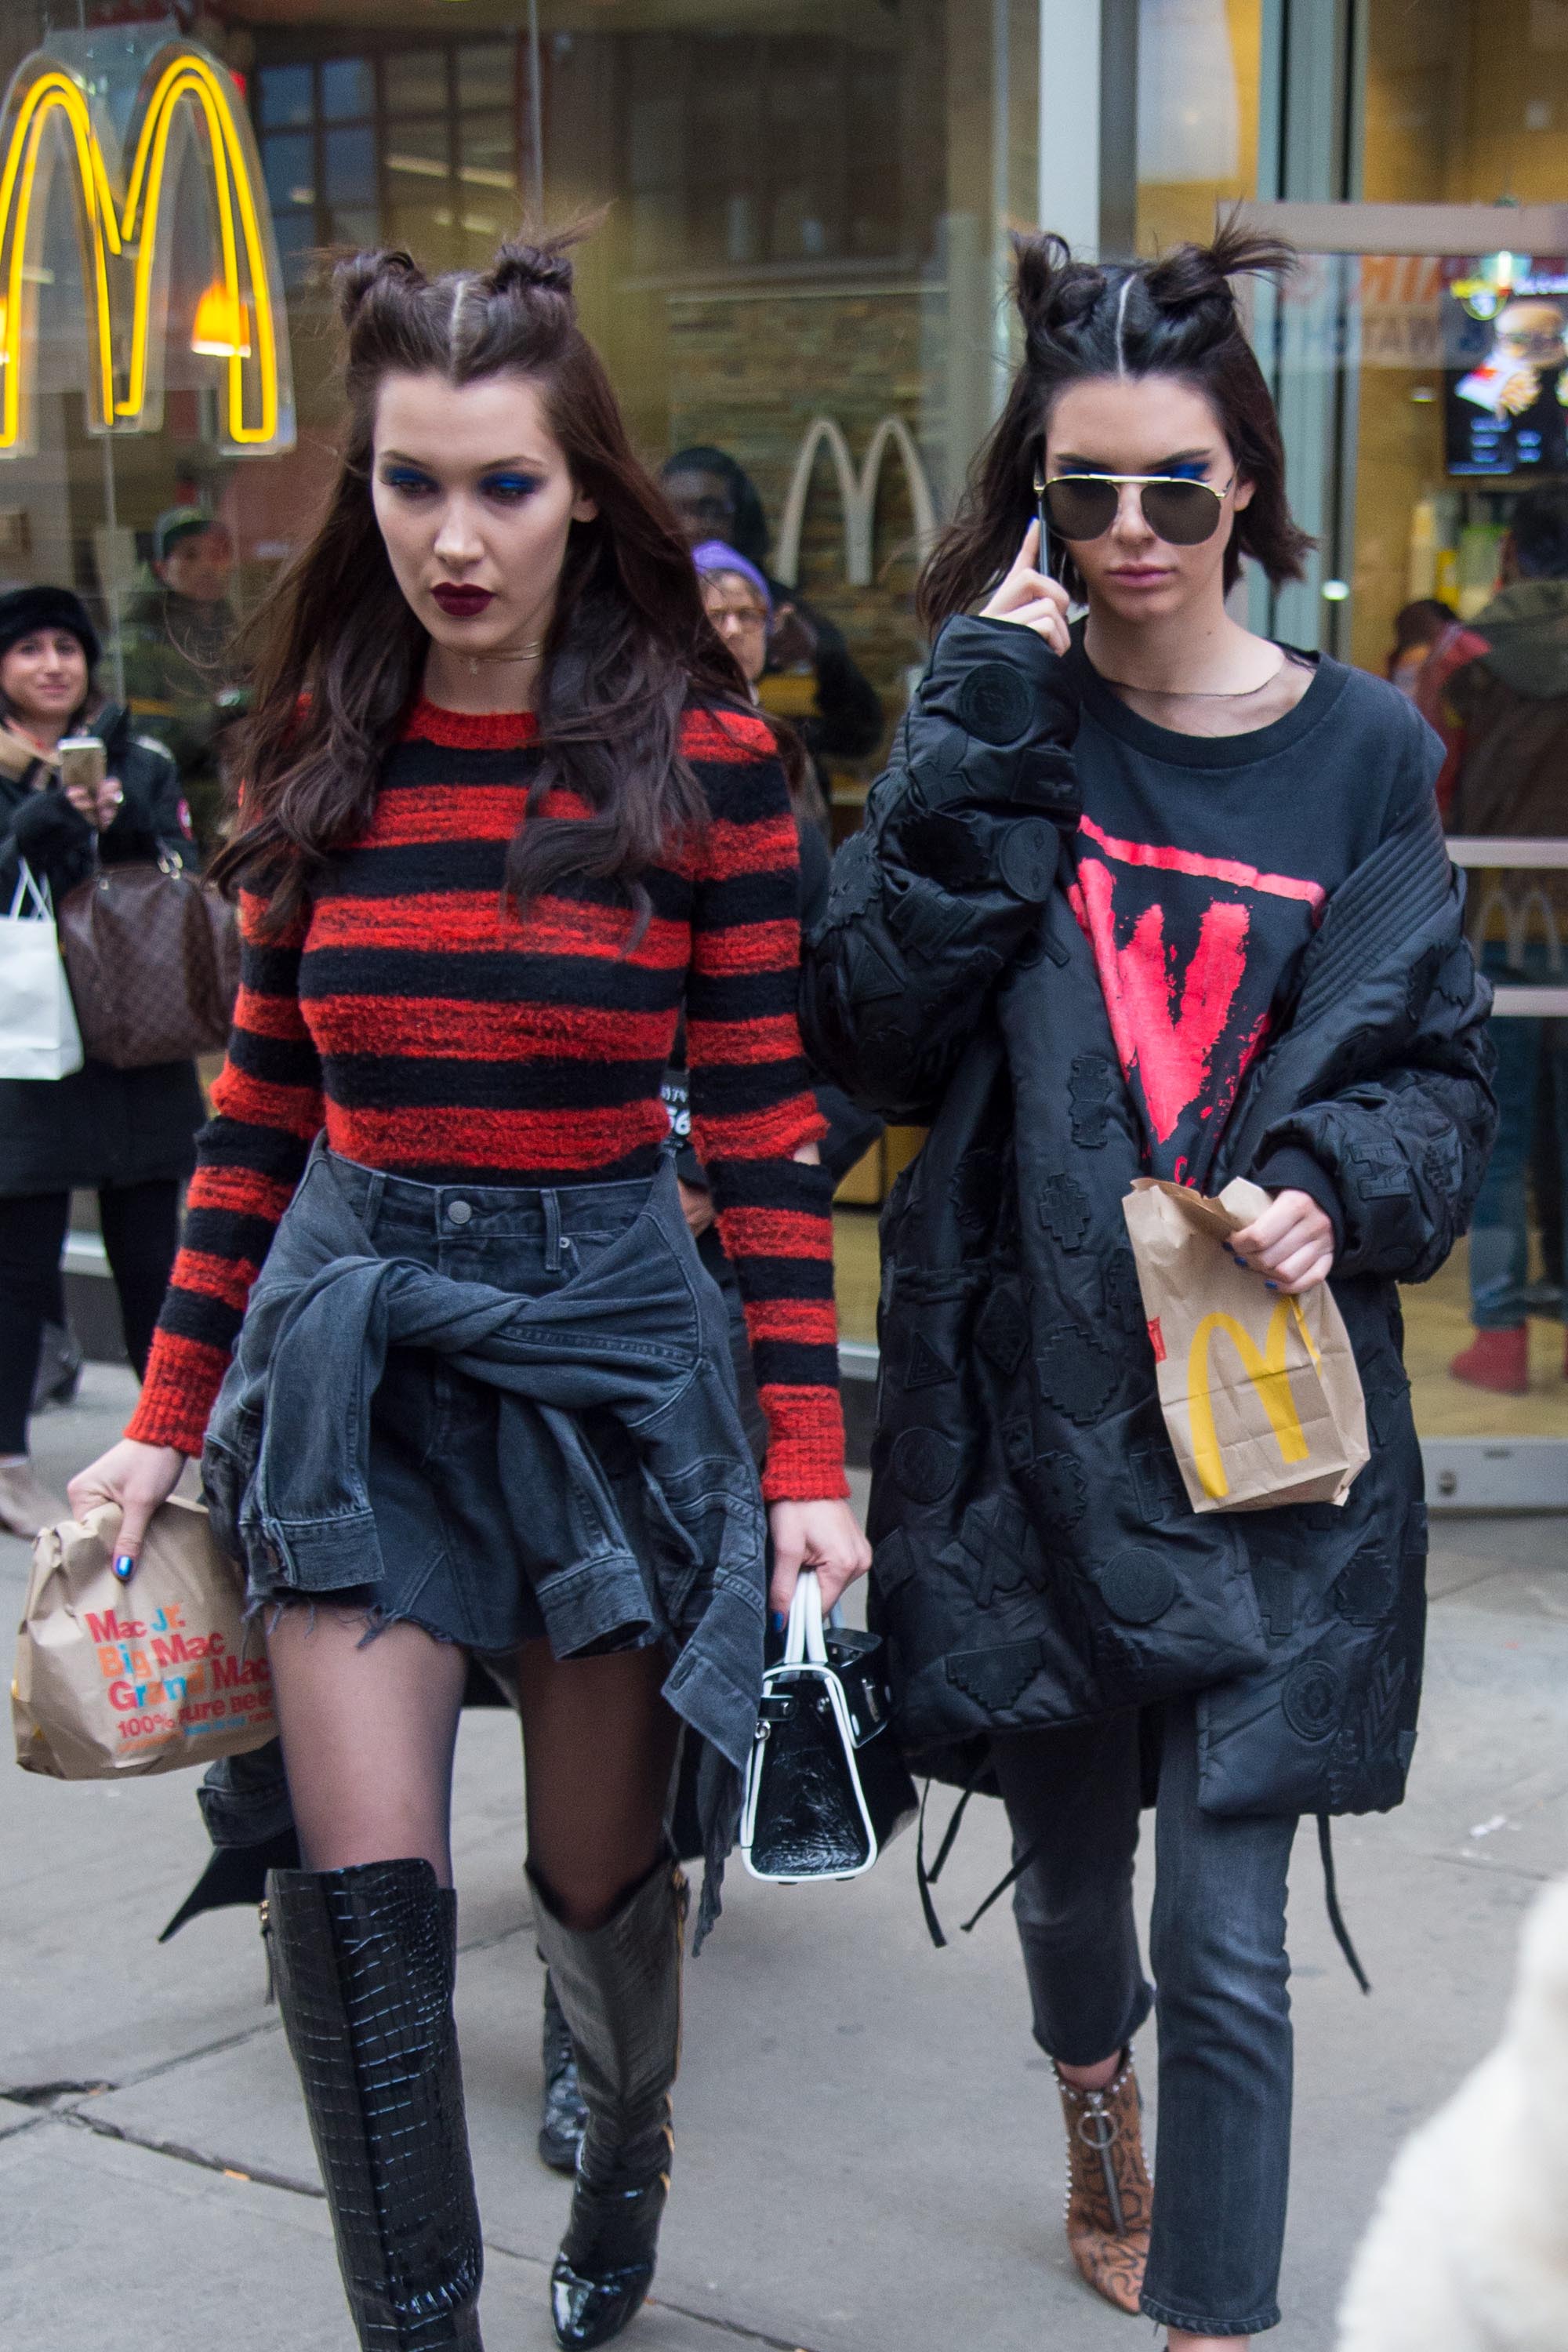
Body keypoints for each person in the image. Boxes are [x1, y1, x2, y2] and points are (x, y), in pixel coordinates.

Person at [68, 235, 868, 2352]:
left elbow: (772, 1139)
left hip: (606, 1359)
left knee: (602, 1891)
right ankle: (417, 2324)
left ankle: (623, 2172)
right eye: (410, 484)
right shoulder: (311, 754)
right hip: (356, 1360)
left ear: (581, 493)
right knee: (370, 1915)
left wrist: (807, 1461)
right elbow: (252, 1125)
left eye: (499, 485)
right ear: (369, 495)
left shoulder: (707, 768)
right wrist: (159, 1424)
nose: (451, 533)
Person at [801, 223, 1496, 2348]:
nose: (1125, 534)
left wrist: (1327, 1183)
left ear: (1243, 492)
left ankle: (1214, 2317)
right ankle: (1090, 2101)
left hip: (1266, 1425)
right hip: (1034, 1413)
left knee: (1230, 1933)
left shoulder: (1364, 750)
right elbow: (873, 1029)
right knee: (1083, 1889)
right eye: (1077, 490)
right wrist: (982, 724)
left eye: (1171, 490)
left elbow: (1431, 1080)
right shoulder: (1001, 718)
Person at [0, 585, 201, 1537]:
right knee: (20, 1258)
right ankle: (5, 1461)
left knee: (152, 1252)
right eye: (29, 649)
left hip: (138, 1034)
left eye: (66, 648)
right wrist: (32, 830)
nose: (52, 665)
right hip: (29, 1046)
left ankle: (170, 1438)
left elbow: (177, 875)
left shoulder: (141, 757)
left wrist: (118, 818)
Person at [1440, 484, 1568, 1396]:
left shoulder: (1466, 652)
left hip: (1497, 918)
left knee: (1500, 1125)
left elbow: (1422, 782)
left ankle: (1499, 1337)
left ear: (1512, 553)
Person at [660, 445, 884, 794]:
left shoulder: (783, 614)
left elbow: (863, 734)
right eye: (674, 513)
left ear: (740, 520)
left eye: (709, 510)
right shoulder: (634, 608)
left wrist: (816, 658)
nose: (691, 526)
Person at [118, 507, 242, 854]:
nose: (207, 566)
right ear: (161, 568)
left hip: (239, 802)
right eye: (189, 555)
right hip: (176, 804)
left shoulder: (241, 631)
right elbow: (145, 734)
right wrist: (218, 712)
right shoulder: (138, 644)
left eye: (217, 554)